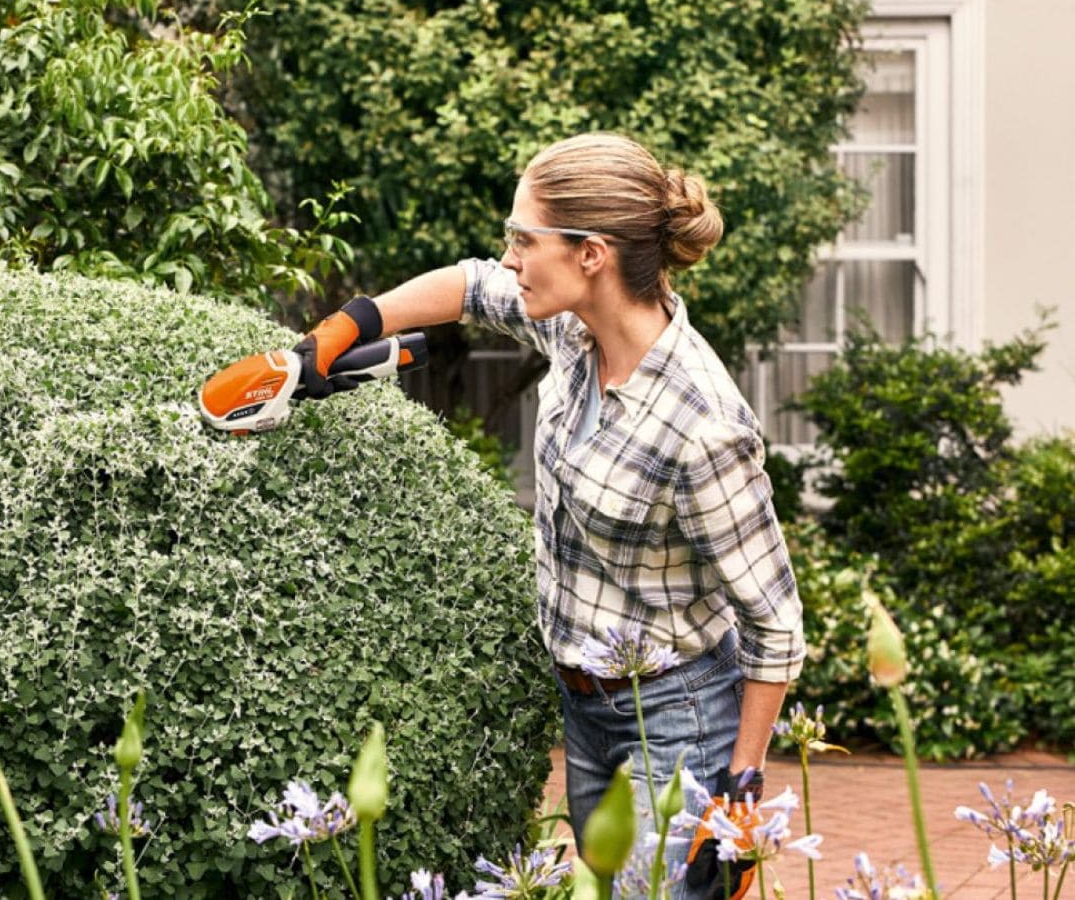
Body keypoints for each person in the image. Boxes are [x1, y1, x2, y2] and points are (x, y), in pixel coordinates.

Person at [286, 132, 804, 898]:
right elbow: (467, 287)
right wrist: (343, 329)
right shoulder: (571, 331)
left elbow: (775, 624)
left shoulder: (701, 425)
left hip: (675, 718)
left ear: (591, 253)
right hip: (586, 703)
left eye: (524, 240)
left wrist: (741, 783)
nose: (511, 259)